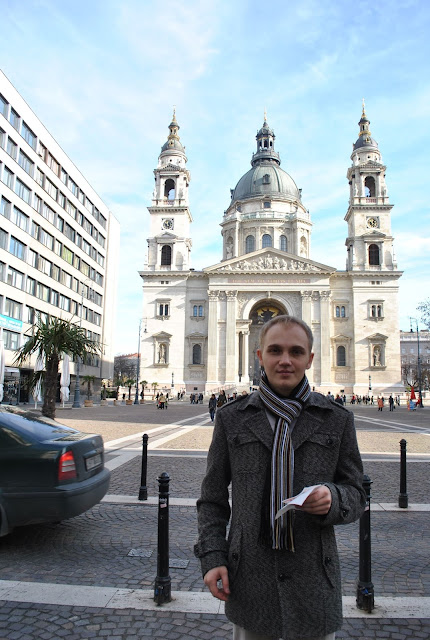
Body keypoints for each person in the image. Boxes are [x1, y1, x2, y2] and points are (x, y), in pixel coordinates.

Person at [195, 315, 365, 640]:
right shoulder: (232, 418)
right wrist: (213, 556)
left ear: (310, 358)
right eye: (275, 350)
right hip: (249, 583)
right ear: (260, 356)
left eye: (296, 352)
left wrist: (334, 498)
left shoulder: (336, 419)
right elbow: (212, 499)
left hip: (314, 583)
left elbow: (357, 494)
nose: (285, 360)